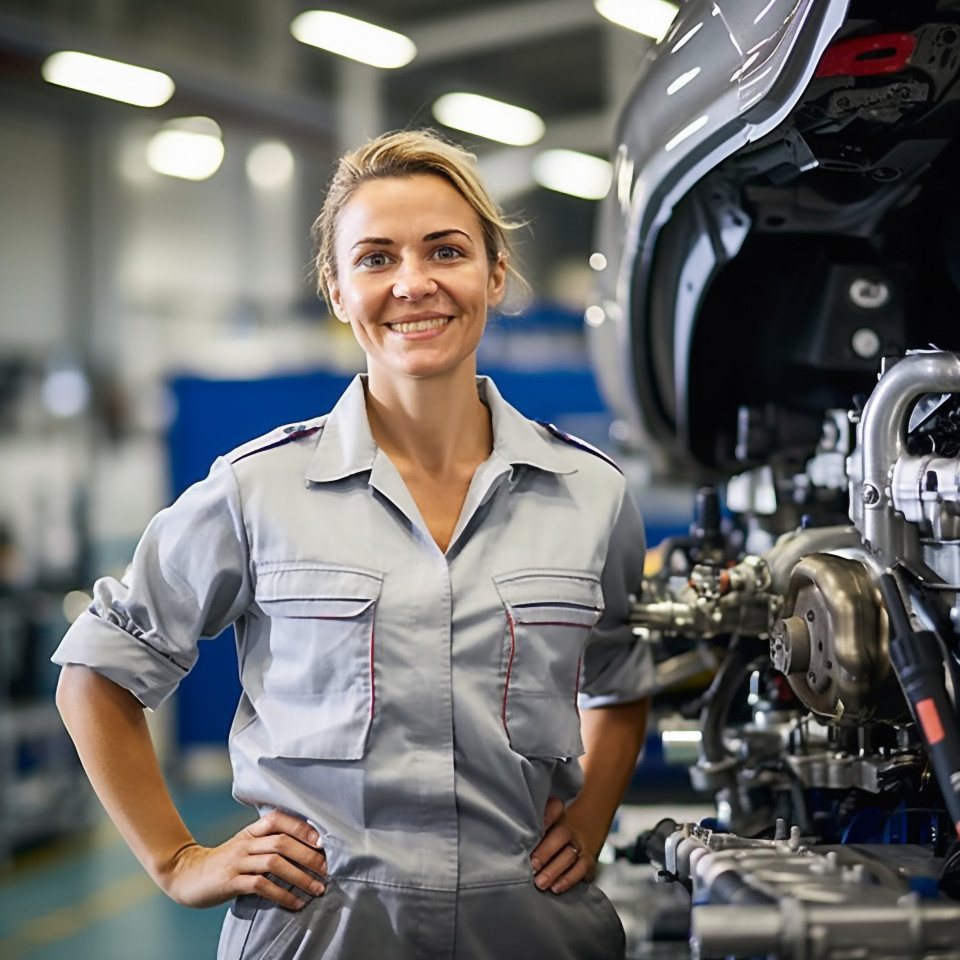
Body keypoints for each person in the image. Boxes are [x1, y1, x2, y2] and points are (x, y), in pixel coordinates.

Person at [53, 129, 653, 960]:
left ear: (495, 274)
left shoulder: (591, 493)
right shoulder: (255, 489)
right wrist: (178, 859)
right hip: (321, 930)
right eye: (376, 258)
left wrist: (589, 821)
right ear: (337, 290)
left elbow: (621, 681)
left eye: (446, 250)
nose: (414, 283)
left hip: (533, 928)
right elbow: (97, 671)